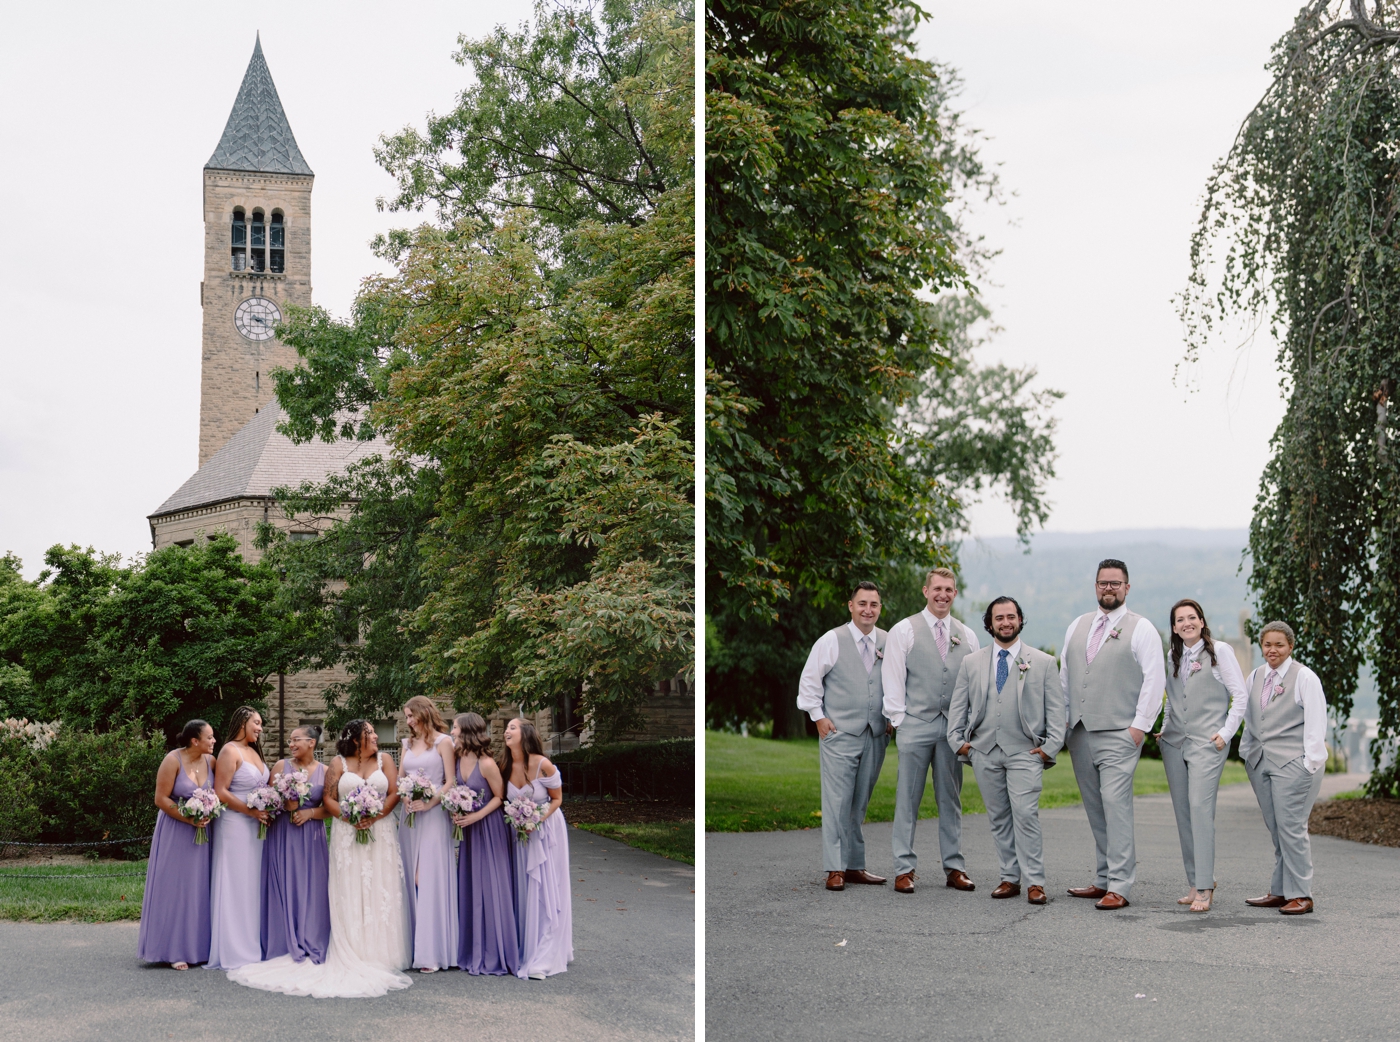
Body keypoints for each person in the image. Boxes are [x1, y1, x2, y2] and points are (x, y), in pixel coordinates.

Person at [228, 719, 413, 996]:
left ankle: (382, 951)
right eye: (371, 732)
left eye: (376, 732)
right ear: (356, 737)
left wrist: (375, 814)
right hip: (344, 831)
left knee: (381, 888)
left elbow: (395, 792)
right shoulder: (335, 764)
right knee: (349, 888)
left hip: (379, 830)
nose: (375, 736)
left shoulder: (384, 759)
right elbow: (327, 799)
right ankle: (344, 945)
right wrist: (351, 816)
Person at [1060, 559, 1165, 910]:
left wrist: (1139, 727)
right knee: (1095, 807)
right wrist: (1062, 723)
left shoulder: (1143, 629)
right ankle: (1104, 878)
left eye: (1116, 583)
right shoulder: (1078, 625)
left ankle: (1120, 884)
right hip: (1079, 731)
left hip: (1120, 731)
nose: (1109, 588)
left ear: (1127, 588)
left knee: (1116, 806)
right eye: (1103, 583)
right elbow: (1065, 676)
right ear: (1095, 586)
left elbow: (1154, 680)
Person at [948, 596, 1064, 904]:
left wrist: (1047, 749)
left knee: (1025, 814)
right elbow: (958, 707)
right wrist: (960, 744)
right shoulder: (971, 662)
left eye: (1011, 616)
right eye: (999, 618)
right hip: (984, 751)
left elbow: (1057, 713)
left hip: (1025, 752)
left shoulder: (1042, 662)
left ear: (1020, 620)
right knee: (998, 817)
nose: (1006, 622)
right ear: (990, 624)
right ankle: (1009, 877)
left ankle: (1035, 882)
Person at [882, 567, 980, 894]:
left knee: (950, 799)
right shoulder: (904, 630)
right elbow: (893, 678)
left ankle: (954, 868)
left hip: (952, 730)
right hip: (915, 725)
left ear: (955, 593)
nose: (943, 595)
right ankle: (903, 868)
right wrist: (900, 721)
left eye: (949, 589)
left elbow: (972, 685)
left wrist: (966, 727)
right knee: (907, 798)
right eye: (937, 588)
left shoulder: (967, 636)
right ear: (926, 591)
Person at [797, 581, 891, 892]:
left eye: (873, 605)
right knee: (837, 801)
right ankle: (835, 868)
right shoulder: (831, 640)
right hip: (840, 733)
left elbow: (900, 684)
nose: (868, 610)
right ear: (850, 606)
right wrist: (819, 718)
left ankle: (854, 866)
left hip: (875, 734)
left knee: (860, 802)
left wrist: (892, 719)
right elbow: (809, 682)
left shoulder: (889, 642)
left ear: (879, 608)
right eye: (862, 603)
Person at [1157, 599, 1246, 913]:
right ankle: (1195, 881)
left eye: (1191, 617)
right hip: (1174, 743)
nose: (1186, 623)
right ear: (1174, 627)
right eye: (1180, 620)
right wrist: (1165, 728)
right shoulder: (1172, 656)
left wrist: (1226, 732)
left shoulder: (1220, 651)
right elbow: (1171, 699)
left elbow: (1240, 696)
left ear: (1202, 621)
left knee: (1199, 808)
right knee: (1183, 814)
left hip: (1209, 743)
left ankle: (1205, 888)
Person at [1240, 621, 1327, 915]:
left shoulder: (1304, 677)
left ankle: (1301, 894)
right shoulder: (1255, 676)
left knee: (1292, 828)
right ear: (1261, 646)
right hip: (1261, 762)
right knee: (1277, 829)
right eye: (1267, 644)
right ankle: (1280, 891)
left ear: (1290, 646)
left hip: (1294, 764)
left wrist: (1309, 764)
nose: (1272, 650)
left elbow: (1316, 724)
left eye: (1279, 644)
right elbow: (1251, 718)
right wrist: (1247, 752)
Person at [137, 719, 217, 969]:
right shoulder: (173, 760)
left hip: (203, 833)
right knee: (175, 887)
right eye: (210, 737)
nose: (214, 741)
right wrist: (189, 817)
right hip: (175, 831)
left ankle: (199, 947)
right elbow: (160, 798)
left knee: (198, 889)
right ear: (195, 741)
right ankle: (173, 949)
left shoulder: (211, 762)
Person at [504, 718, 573, 979]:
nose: (506, 731)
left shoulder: (542, 763)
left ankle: (546, 953)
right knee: (526, 888)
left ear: (526, 733)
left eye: (512, 727)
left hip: (547, 832)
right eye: (506, 728)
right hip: (520, 835)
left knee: (547, 889)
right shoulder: (506, 766)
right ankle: (528, 945)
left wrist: (536, 819)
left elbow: (557, 799)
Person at [451, 712, 518, 976]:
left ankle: (494, 952)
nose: (452, 731)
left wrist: (476, 815)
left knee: (491, 886)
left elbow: (500, 797)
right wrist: (455, 811)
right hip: (468, 831)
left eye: (454, 727)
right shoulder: (457, 759)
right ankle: (471, 949)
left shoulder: (487, 763)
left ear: (466, 731)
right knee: (470, 885)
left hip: (489, 828)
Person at [397, 696, 458, 972]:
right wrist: (406, 798)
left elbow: (450, 781)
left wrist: (429, 801)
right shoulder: (406, 745)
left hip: (433, 816)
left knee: (427, 877)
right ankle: (412, 947)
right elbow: (400, 779)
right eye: (406, 717)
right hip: (410, 816)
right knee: (410, 877)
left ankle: (432, 951)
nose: (408, 721)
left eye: (411, 715)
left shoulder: (444, 742)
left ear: (424, 713)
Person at [260, 725, 330, 962]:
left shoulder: (326, 770)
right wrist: (283, 804)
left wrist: (310, 814)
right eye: (289, 741)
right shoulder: (282, 766)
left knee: (312, 885)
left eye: (295, 740)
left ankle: (311, 936)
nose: (291, 744)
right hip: (284, 833)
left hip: (312, 836)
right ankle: (283, 939)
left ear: (311, 742)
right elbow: (267, 799)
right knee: (286, 883)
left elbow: (331, 809)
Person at [208, 706, 270, 969]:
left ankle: (252, 942)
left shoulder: (254, 752)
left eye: (261, 724)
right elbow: (221, 791)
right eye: (256, 723)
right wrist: (250, 811)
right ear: (243, 722)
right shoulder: (229, 750)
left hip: (256, 825)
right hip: (235, 824)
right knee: (235, 882)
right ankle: (233, 948)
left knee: (252, 882)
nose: (260, 728)